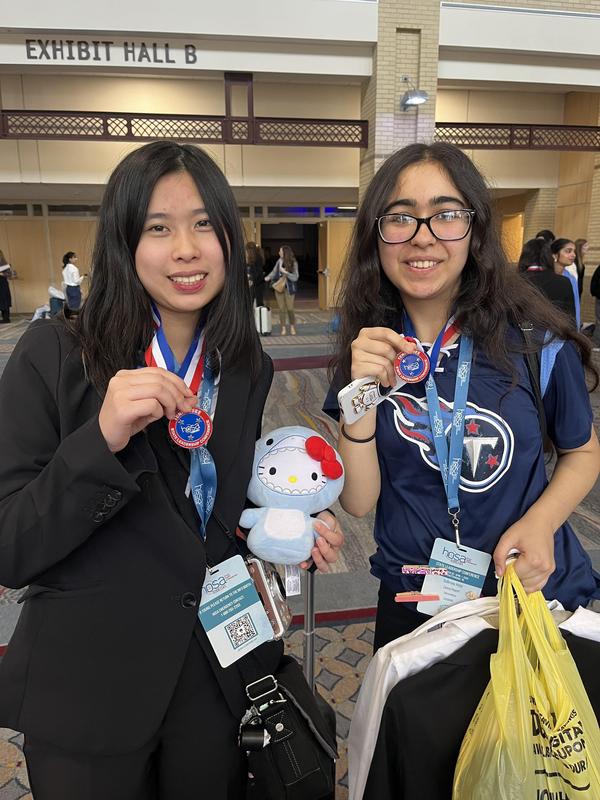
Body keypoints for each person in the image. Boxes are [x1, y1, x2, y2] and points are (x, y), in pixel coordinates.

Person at [0, 140, 344, 800]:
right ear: (124, 241)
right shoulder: (56, 355)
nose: (186, 249)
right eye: (158, 228)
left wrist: (281, 525)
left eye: (204, 225)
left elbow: (210, 515)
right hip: (91, 689)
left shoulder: (244, 367)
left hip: (213, 685)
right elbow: (11, 546)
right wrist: (101, 440)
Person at [323, 141, 600, 651]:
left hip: (529, 591)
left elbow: (581, 451)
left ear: (475, 231)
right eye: (400, 217)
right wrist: (360, 395)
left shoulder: (535, 342)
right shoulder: (368, 352)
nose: (422, 237)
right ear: (376, 236)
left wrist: (542, 523)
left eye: (446, 214)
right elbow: (358, 502)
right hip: (416, 603)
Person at [517, 237, 576, 323]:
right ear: (550, 256)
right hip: (554, 328)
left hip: (522, 329)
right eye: (568, 251)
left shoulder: (516, 281)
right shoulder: (563, 282)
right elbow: (570, 318)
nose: (574, 255)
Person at [265, 244, 299, 335]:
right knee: (281, 308)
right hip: (279, 288)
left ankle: (292, 326)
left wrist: (286, 273)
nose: (278, 252)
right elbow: (274, 272)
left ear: (285, 252)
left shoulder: (293, 262)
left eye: (280, 251)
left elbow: (295, 277)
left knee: (290, 308)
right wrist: (267, 278)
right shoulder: (279, 261)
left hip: (289, 288)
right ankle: (283, 327)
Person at [551, 238, 580, 328]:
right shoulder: (545, 276)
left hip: (564, 327)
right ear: (555, 255)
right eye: (568, 251)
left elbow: (575, 305)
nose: (573, 255)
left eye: (574, 251)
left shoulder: (571, 278)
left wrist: (576, 328)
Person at [245, 241, 265, 307]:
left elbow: (257, 273)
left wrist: (250, 280)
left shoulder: (257, 259)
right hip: (255, 285)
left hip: (257, 286)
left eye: (246, 250)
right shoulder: (253, 258)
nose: (246, 252)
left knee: (257, 304)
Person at [0, 250, 13, 323]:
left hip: (2, 284)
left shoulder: (3, 263)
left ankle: (6, 318)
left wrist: (1, 274)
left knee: (4, 300)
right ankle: (4, 318)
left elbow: (9, 274)